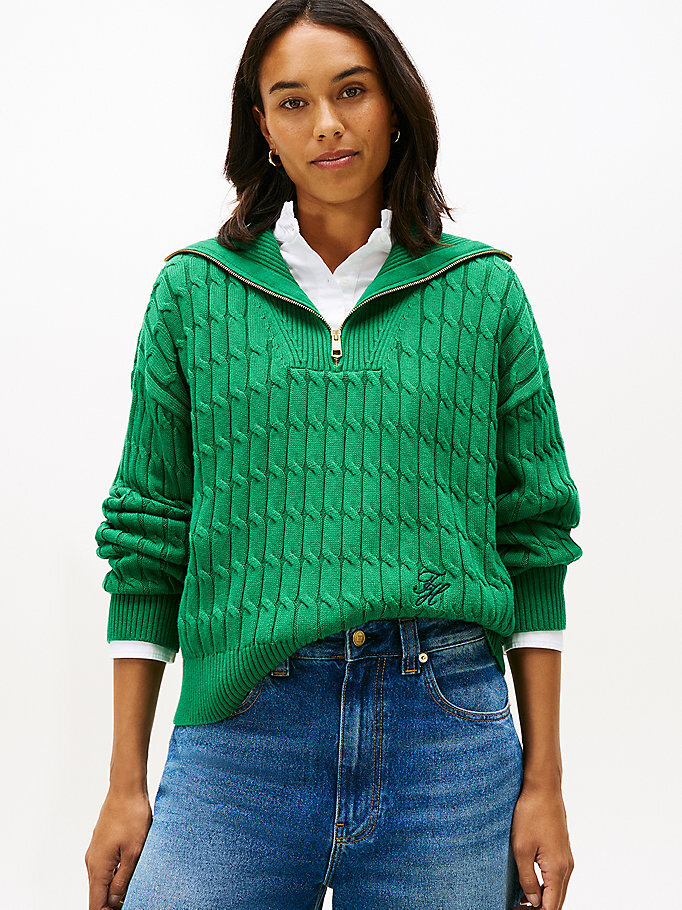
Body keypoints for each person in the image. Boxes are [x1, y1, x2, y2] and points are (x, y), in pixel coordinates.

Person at [85, 2, 582, 908]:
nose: (326, 124)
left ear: (395, 105)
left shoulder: (485, 294)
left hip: (446, 736)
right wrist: (125, 783)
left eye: (351, 91)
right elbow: (148, 538)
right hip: (239, 734)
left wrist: (543, 783)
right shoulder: (192, 294)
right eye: (293, 101)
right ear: (262, 127)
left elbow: (535, 539)